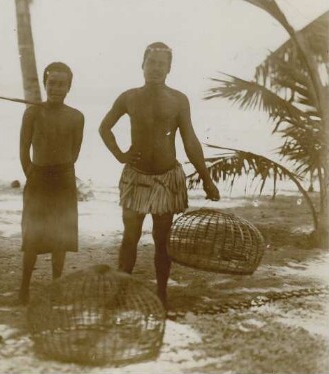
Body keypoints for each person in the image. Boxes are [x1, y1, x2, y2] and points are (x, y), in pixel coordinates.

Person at [99, 42, 220, 308]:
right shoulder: (129, 97)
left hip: (167, 178)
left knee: (162, 239)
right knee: (130, 236)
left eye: (161, 64)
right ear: (142, 65)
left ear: (169, 69)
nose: (155, 69)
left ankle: (162, 294)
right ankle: (120, 291)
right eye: (151, 63)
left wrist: (207, 179)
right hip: (136, 176)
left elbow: (190, 140)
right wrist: (120, 155)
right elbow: (104, 127)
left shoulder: (178, 100)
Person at [19, 62, 85, 304]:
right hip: (38, 179)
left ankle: (56, 285)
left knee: (61, 237)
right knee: (32, 236)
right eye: (52, 83)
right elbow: (24, 148)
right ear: (45, 84)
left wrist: (61, 170)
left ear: (69, 87)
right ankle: (24, 288)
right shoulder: (33, 112)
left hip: (64, 180)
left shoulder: (77, 116)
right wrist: (32, 174)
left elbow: (75, 151)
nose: (56, 88)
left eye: (62, 84)